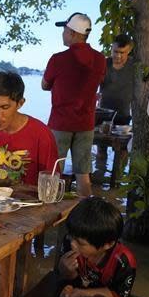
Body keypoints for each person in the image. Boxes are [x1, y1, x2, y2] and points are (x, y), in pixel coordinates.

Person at [42, 12, 106, 197]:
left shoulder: (58, 59)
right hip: (86, 123)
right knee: (83, 173)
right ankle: (85, 214)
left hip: (60, 123)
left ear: (72, 33)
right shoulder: (100, 59)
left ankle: (50, 211)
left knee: (54, 171)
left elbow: (45, 85)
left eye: (64, 29)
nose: (63, 33)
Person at [0, 71, 58, 186]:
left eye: (4, 107)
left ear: (20, 103)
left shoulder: (41, 134)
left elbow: (52, 180)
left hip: (26, 201)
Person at [55, 197, 136, 297]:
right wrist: (65, 270)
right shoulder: (70, 240)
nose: (72, 244)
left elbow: (120, 295)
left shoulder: (124, 261)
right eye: (71, 236)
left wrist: (83, 293)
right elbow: (68, 278)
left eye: (81, 243)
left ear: (108, 244)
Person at [99, 34, 137, 127]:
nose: (118, 56)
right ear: (111, 48)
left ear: (129, 51)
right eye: (115, 51)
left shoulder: (134, 66)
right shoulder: (103, 64)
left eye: (122, 52)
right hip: (103, 115)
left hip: (124, 116)